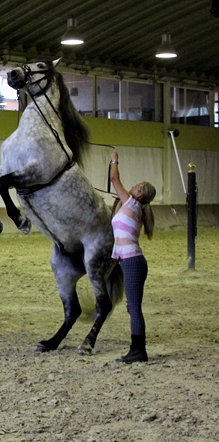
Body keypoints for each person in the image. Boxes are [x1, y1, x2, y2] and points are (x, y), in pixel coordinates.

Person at [109, 149, 156, 363]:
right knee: (132, 307)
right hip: (127, 260)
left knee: (135, 308)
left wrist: (114, 160)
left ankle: (138, 350)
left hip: (132, 261)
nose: (133, 186)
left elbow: (114, 178)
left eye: (136, 187)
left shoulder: (131, 203)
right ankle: (138, 349)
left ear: (139, 194)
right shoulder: (130, 205)